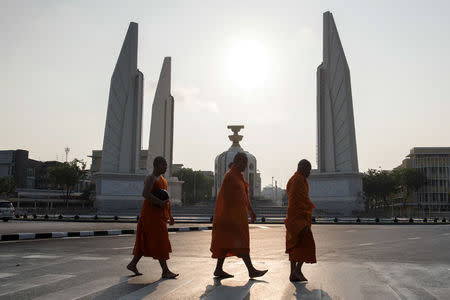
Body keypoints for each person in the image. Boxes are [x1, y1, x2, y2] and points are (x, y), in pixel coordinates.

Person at [210, 152, 268, 279]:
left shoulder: (239, 177)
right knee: (241, 243)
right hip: (231, 218)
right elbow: (226, 197)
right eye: (242, 162)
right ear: (236, 161)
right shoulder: (230, 176)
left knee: (226, 243)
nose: (245, 166)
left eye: (246, 163)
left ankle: (218, 269)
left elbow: (245, 197)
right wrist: (231, 216)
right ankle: (251, 270)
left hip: (239, 217)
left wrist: (251, 211)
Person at [127, 156, 178, 279]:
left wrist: (169, 215)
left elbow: (166, 200)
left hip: (159, 215)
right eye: (163, 165)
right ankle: (165, 271)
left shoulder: (163, 180)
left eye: (166, 165)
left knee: (146, 241)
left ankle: (132, 264)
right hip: (150, 215)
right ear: (156, 165)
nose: (166, 167)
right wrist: (159, 203)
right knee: (160, 241)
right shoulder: (150, 178)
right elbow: (145, 194)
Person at [284, 159, 316, 282]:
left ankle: (293, 273)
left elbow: (291, 195)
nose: (309, 173)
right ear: (301, 168)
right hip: (299, 219)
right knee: (307, 244)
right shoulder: (298, 180)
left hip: (292, 217)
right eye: (308, 170)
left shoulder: (293, 179)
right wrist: (310, 206)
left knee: (294, 245)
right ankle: (297, 270)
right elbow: (301, 199)